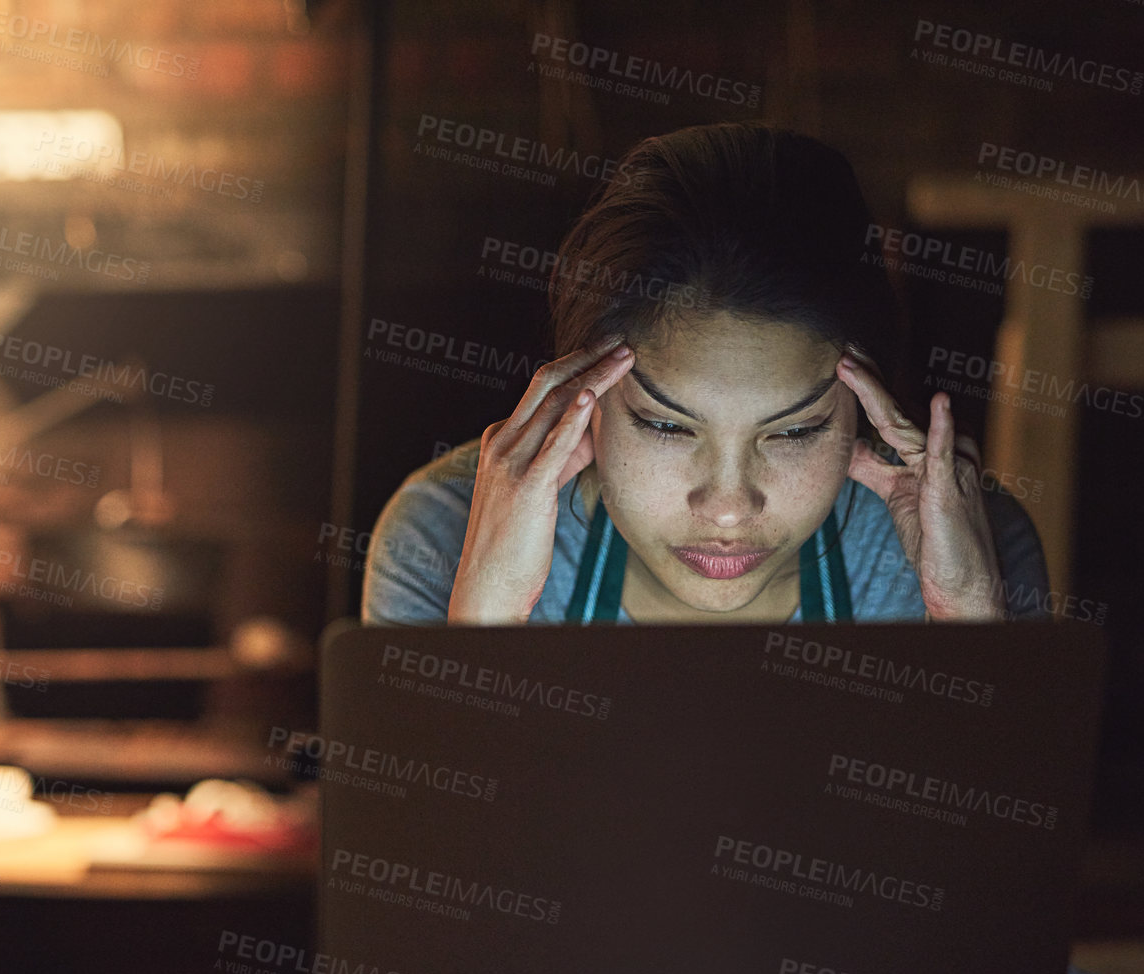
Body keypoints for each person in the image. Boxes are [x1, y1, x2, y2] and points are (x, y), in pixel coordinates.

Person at [362, 122, 1048, 626]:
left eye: (794, 432)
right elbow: (431, 825)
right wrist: (482, 627)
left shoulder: (972, 539)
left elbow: (998, 820)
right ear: (584, 398)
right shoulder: (439, 533)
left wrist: (967, 620)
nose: (726, 507)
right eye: (664, 423)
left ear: (864, 411)